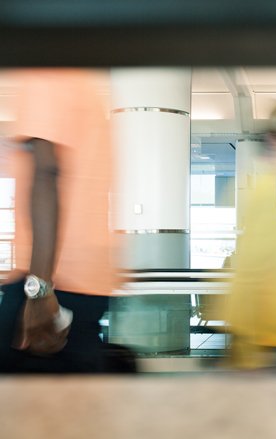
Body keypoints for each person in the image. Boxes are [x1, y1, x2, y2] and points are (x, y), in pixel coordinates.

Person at [0, 70, 134, 373]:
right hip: (84, 282)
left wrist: (39, 291)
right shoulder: (84, 83)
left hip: (52, 284)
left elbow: (46, 172)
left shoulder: (45, 73)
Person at [221, 101, 276, 369]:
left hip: (267, 340)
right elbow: (254, 274)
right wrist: (252, 349)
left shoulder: (269, 186)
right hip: (261, 344)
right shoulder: (264, 191)